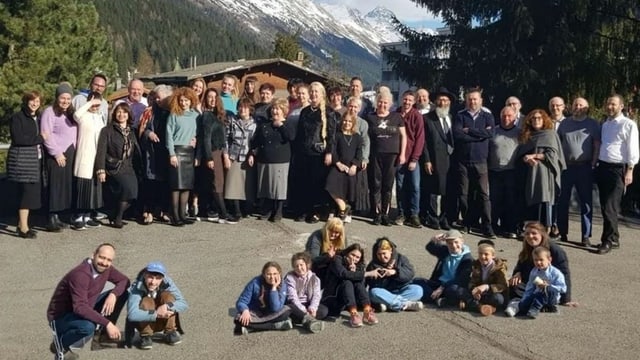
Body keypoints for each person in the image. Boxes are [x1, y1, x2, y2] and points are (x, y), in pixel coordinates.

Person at [47, 243, 129, 360]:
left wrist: (113, 295)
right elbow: (79, 307)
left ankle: (103, 333)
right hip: (61, 316)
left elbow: (124, 281)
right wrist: (107, 323)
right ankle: (60, 344)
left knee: (123, 293)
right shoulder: (81, 274)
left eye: (109, 260)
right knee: (87, 327)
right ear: (93, 255)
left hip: (85, 306)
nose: (104, 263)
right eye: (101, 257)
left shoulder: (106, 269)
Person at [595, 94, 639, 254]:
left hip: (618, 169)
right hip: (603, 167)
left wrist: (630, 169)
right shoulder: (605, 124)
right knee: (605, 204)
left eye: (613, 104)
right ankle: (614, 237)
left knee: (610, 206)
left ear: (621, 106)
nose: (609, 107)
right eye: (608, 104)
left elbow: (632, 147)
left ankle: (608, 240)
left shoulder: (628, 124)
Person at [452, 88, 496, 238]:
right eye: (470, 99)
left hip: (481, 161)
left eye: (475, 99)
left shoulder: (487, 116)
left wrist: (469, 130)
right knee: (463, 194)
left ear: (480, 100)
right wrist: (479, 135)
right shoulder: (460, 115)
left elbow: (490, 134)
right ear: (466, 100)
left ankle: (487, 225)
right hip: (463, 161)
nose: (472, 102)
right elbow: (458, 135)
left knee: (484, 195)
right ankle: (466, 222)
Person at [556, 98, 600, 246]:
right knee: (562, 201)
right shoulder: (564, 123)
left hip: (585, 167)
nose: (578, 107)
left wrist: (593, 163)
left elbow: (596, 144)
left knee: (586, 203)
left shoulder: (593, 124)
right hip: (566, 167)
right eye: (575, 104)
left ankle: (586, 236)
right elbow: (558, 143)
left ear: (587, 108)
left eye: (581, 105)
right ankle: (562, 232)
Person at [292, 82, 337, 223]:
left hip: (319, 154)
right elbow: (300, 134)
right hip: (304, 153)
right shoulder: (305, 112)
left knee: (317, 184)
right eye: (312, 91)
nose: (313, 94)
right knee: (304, 182)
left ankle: (317, 212)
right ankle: (304, 210)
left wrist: (329, 152)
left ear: (322, 94)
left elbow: (332, 134)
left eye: (316, 92)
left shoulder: (329, 112)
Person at [517, 109, 565, 229]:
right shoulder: (527, 135)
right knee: (528, 199)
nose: (536, 120)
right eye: (533, 118)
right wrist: (526, 159)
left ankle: (545, 229)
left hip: (544, 174)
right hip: (529, 174)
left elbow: (553, 155)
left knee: (542, 199)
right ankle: (530, 228)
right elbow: (520, 154)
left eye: (539, 118)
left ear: (544, 120)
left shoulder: (550, 134)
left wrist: (535, 156)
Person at [95, 103, 141, 228]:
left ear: (128, 114)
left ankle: (114, 215)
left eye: (124, 112)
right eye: (119, 112)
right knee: (127, 190)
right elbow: (101, 150)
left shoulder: (132, 131)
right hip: (114, 166)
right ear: (114, 114)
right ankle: (118, 218)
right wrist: (100, 169)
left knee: (133, 193)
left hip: (128, 166)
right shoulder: (107, 130)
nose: (121, 115)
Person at [507, 221, 574, 307]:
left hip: (548, 285)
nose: (530, 236)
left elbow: (565, 273)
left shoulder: (555, 250)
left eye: (534, 233)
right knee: (513, 286)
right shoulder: (527, 248)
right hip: (533, 282)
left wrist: (566, 299)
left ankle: (533, 302)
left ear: (542, 234)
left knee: (546, 292)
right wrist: (518, 272)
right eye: (527, 233)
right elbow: (520, 264)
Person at [7, 90, 45, 238]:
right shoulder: (17, 117)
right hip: (22, 161)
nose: (35, 103)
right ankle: (23, 227)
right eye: (32, 100)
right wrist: (40, 138)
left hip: (35, 160)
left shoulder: (39, 117)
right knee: (26, 194)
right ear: (26, 101)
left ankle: (23, 224)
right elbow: (19, 139)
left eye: (37, 101)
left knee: (30, 194)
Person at [366, 89, 407, 225]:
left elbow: (404, 136)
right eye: (380, 102)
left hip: (392, 155)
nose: (382, 105)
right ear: (376, 103)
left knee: (387, 185)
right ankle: (376, 214)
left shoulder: (396, 117)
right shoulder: (370, 117)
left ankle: (386, 214)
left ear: (389, 104)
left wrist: (402, 154)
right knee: (375, 184)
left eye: (385, 103)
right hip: (375, 155)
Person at [41, 83, 77, 232]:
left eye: (68, 98)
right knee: (55, 187)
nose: (65, 101)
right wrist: (56, 153)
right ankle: (51, 219)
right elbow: (45, 134)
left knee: (64, 187)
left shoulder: (69, 113)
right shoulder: (49, 112)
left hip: (69, 153)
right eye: (63, 98)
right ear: (57, 98)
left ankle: (58, 217)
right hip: (57, 155)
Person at [127, 262, 188, 349]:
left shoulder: (168, 283)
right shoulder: (136, 287)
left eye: (157, 278)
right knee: (146, 301)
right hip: (145, 321)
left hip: (163, 318)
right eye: (150, 277)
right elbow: (132, 315)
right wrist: (156, 313)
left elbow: (183, 303)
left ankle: (170, 331)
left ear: (162, 278)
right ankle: (146, 336)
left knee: (168, 296)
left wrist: (166, 306)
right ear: (145, 275)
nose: (153, 282)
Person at [252, 98, 294, 222]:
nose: (275, 111)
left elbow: (290, 137)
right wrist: (253, 150)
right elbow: (256, 140)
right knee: (266, 186)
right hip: (264, 159)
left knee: (278, 187)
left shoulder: (287, 124)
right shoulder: (264, 124)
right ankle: (267, 209)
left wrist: (280, 125)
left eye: (278, 109)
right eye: (274, 108)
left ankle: (279, 211)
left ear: (284, 111)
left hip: (280, 160)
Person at [420, 87, 456, 230]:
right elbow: (424, 143)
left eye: (446, 100)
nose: (443, 102)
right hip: (435, 158)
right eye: (440, 100)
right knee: (434, 190)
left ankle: (444, 218)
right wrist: (427, 160)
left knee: (448, 190)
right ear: (435, 101)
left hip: (451, 159)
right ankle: (433, 217)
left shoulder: (451, 117)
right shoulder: (427, 118)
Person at [195, 88, 232, 223]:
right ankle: (223, 214)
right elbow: (205, 138)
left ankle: (204, 211)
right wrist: (209, 157)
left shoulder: (219, 115)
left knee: (212, 183)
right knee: (217, 183)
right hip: (212, 152)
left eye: (214, 97)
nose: (212, 100)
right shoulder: (206, 116)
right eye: (209, 97)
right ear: (205, 99)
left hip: (219, 152)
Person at [321, 243, 379, 327]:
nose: (354, 258)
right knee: (347, 281)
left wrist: (355, 272)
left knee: (358, 281)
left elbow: (362, 285)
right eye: (353, 255)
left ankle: (367, 310)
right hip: (333, 298)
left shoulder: (359, 265)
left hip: (348, 300)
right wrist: (367, 273)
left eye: (357, 257)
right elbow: (343, 274)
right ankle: (354, 313)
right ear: (347, 252)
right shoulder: (337, 260)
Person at [138, 85, 173, 225]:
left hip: (166, 152)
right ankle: (150, 211)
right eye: (156, 97)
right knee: (151, 183)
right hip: (152, 152)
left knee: (165, 183)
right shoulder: (149, 111)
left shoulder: (172, 111)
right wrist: (149, 133)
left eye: (160, 97)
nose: (157, 100)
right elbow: (142, 129)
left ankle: (164, 210)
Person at [166, 87, 199, 226]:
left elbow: (199, 132)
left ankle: (182, 215)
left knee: (186, 186)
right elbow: (169, 135)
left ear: (191, 101)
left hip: (189, 152)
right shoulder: (174, 114)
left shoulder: (195, 115)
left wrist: (196, 139)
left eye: (186, 100)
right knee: (176, 186)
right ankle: (175, 216)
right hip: (177, 152)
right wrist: (172, 154)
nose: (184, 103)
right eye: (181, 100)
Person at [505, 247, 567, 319]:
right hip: (537, 295)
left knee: (547, 289)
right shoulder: (534, 272)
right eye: (535, 260)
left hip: (551, 297)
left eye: (541, 260)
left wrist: (548, 286)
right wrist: (526, 298)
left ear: (549, 260)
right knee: (529, 297)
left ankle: (535, 309)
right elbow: (530, 287)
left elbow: (563, 288)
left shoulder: (556, 273)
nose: (538, 262)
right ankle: (519, 307)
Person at [416, 230, 472, 307]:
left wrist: (442, 287)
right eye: (449, 243)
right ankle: (439, 300)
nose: (453, 245)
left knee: (453, 290)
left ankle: (435, 298)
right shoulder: (445, 251)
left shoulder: (468, 259)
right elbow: (429, 247)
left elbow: (461, 279)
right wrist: (435, 239)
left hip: (452, 285)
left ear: (462, 241)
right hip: (438, 283)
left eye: (456, 242)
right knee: (417, 281)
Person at [488, 106, 521, 239]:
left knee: (510, 201)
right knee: (495, 200)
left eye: (509, 116)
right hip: (494, 171)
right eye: (503, 116)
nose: (506, 118)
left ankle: (510, 227)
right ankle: (494, 226)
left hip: (511, 171)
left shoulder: (520, 132)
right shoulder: (493, 131)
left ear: (515, 117)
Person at [234, 261, 293, 335]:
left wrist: (274, 288)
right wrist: (245, 310)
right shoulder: (255, 283)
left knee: (286, 312)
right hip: (256, 312)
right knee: (239, 319)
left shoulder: (282, 284)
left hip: (272, 313)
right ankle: (275, 326)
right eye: (269, 274)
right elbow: (241, 301)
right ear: (264, 275)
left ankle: (251, 328)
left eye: (275, 274)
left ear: (279, 274)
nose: (272, 277)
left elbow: (275, 308)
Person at [366, 237, 424, 312]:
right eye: (379, 254)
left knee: (418, 290)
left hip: (401, 289)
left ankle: (390, 303)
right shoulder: (373, 265)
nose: (382, 257)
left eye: (384, 253)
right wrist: (381, 276)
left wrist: (395, 272)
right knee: (374, 293)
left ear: (390, 250)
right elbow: (372, 285)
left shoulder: (401, 258)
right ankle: (405, 304)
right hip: (385, 292)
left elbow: (410, 273)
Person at [325, 111, 363, 221]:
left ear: (353, 123)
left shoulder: (357, 137)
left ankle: (344, 212)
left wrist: (354, 165)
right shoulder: (338, 135)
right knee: (330, 184)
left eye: (350, 121)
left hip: (350, 167)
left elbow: (359, 153)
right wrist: (338, 163)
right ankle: (343, 207)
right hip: (338, 166)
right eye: (345, 120)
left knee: (348, 187)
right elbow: (334, 151)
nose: (347, 123)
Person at [395, 90, 425, 228]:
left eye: (410, 100)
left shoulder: (417, 116)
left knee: (414, 187)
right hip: (398, 157)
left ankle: (414, 214)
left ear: (413, 102)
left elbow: (420, 139)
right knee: (400, 186)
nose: (407, 102)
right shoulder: (395, 114)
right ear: (402, 99)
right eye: (405, 99)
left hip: (412, 157)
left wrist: (414, 158)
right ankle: (402, 213)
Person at [224, 98, 258, 221]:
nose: (242, 110)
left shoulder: (254, 124)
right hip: (234, 156)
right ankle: (236, 211)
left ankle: (246, 210)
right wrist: (226, 155)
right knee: (233, 185)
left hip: (247, 157)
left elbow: (256, 143)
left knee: (246, 185)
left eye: (245, 107)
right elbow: (226, 139)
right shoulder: (232, 121)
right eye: (240, 107)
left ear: (250, 109)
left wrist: (253, 154)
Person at [459, 241, 508, 316]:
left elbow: (503, 285)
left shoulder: (499, 267)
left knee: (498, 299)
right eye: (480, 254)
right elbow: (472, 281)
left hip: (491, 293)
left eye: (486, 254)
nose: (482, 256)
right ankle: (483, 307)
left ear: (493, 256)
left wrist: (487, 287)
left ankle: (474, 305)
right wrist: (474, 290)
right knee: (460, 291)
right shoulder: (476, 264)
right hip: (480, 294)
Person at [284, 252, 327, 333]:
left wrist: (312, 308)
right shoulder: (290, 278)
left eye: (301, 265)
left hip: (308, 303)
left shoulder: (315, 278)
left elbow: (316, 295)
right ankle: (309, 321)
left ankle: (303, 320)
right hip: (295, 305)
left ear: (307, 264)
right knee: (289, 309)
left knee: (324, 311)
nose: (299, 268)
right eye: (296, 266)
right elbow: (293, 297)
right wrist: (303, 310)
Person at [345, 96, 371, 219]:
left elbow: (366, 142)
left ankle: (356, 207)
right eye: (351, 106)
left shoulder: (363, 123)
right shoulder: (342, 120)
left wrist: (365, 158)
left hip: (357, 156)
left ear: (359, 109)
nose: (353, 109)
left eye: (355, 107)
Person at [305, 217, 348, 282]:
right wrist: (327, 256)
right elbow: (313, 259)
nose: (333, 234)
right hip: (317, 267)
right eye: (331, 231)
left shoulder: (342, 238)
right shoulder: (317, 236)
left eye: (336, 232)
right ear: (327, 229)